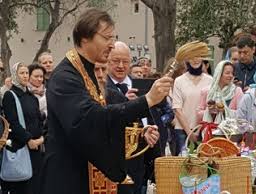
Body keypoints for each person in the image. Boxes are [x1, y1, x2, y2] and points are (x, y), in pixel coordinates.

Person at [38, 9, 172, 194]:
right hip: (69, 180)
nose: (111, 44)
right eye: (107, 38)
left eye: (113, 38)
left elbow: (105, 122)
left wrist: (140, 135)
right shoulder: (65, 77)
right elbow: (91, 119)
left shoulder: (86, 71)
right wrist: (147, 100)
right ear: (85, 38)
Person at [106, 41, 160, 194]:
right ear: (107, 61)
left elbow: (151, 115)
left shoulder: (142, 85)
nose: (121, 65)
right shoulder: (103, 87)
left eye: (125, 61)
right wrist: (123, 102)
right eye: (116, 61)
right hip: (116, 160)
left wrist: (152, 131)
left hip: (142, 157)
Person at [2, 62, 44, 194]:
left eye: (27, 73)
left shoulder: (32, 97)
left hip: (36, 149)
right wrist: (28, 140)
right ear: (15, 75)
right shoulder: (10, 96)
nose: (25, 76)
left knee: (37, 186)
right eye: (22, 73)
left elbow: (39, 121)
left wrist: (40, 139)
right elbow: (13, 123)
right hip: (21, 148)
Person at [172, 55, 212, 155]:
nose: (195, 59)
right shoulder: (179, 81)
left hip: (204, 129)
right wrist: (189, 132)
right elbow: (177, 109)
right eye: (192, 56)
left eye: (198, 56)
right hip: (182, 130)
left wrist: (198, 130)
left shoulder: (210, 80)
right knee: (183, 165)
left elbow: (210, 107)